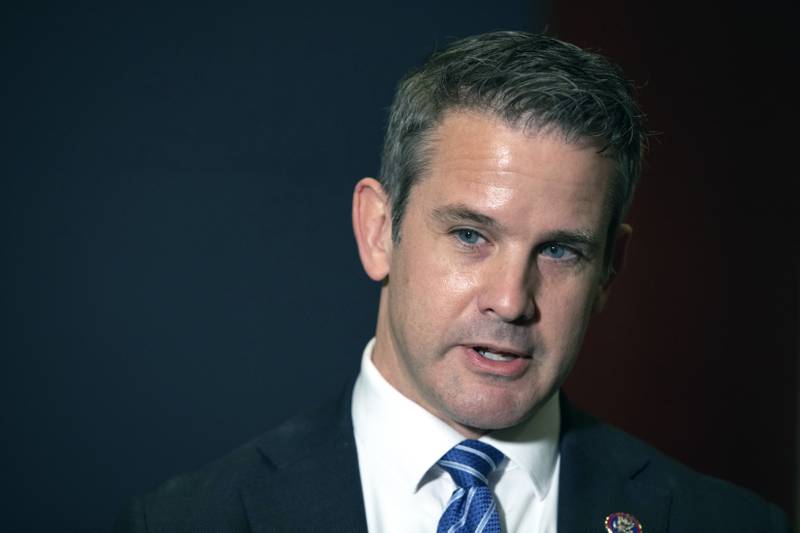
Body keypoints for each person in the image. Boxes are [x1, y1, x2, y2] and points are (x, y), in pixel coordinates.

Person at [114, 31, 788, 533]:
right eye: (471, 235)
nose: (511, 299)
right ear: (380, 230)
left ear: (610, 268)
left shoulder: (731, 523)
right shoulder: (186, 520)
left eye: (559, 251)